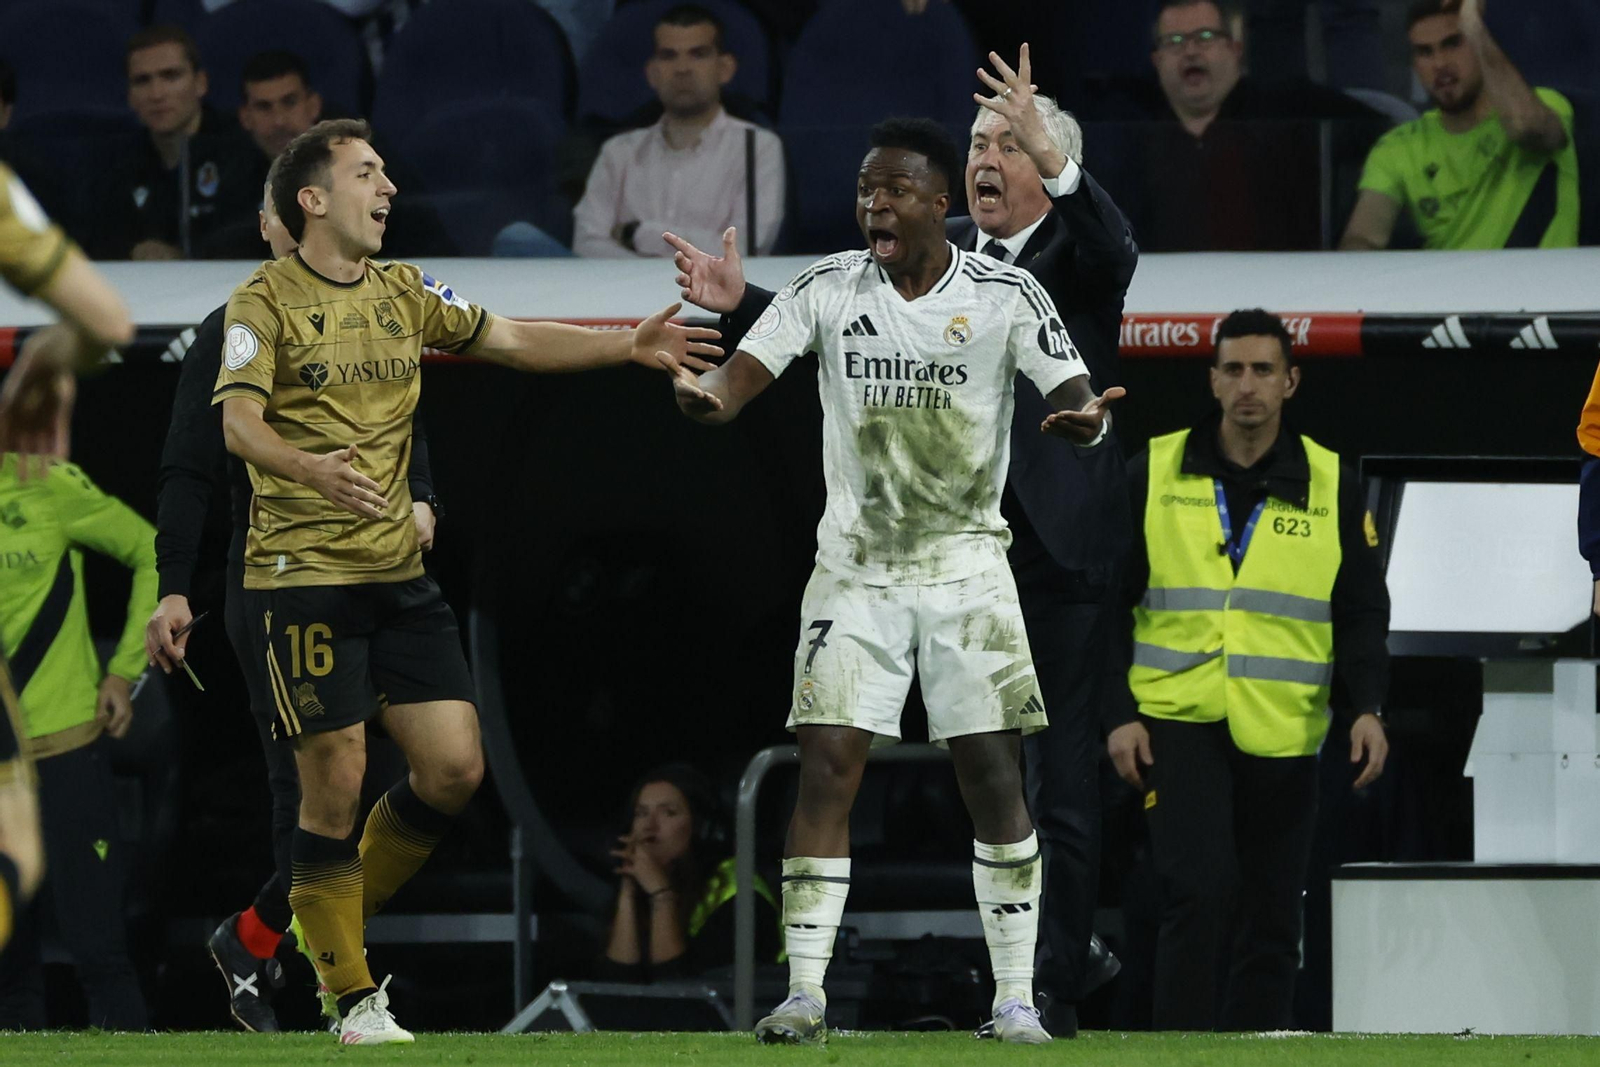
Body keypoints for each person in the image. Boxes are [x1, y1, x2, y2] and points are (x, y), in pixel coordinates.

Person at [210, 118, 719, 1045]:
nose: (389, 185)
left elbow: (512, 338)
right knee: (340, 782)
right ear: (313, 199)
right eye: (367, 172)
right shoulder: (262, 304)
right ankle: (351, 996)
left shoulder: (405, 291)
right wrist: (310, 468)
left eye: (386, 169)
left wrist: (624, 348)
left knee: (453, 766)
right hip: (299, 578)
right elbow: (240, 426)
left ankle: (304, 931)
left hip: (397, 576)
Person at [668, 45, 1137, 1038]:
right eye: (864, 190)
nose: (876, 205)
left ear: (932, 205)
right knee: (828, 761)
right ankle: (803, 989)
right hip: (858, 570)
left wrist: (1086, 420)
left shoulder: (1032, 281)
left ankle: (1025, 991)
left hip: (997, 562)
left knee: (1008, 777)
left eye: (896, 191)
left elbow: (1077, 377)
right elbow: (752, 369)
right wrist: (704, 392)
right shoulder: (834, 284)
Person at [144, 183, 439, 1032]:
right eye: (281, 214)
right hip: (275, 579)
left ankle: (258, 938)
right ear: (276, 222)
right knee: (313, 789)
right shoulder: (236, 325)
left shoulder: (378, 310)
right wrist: (172, 584)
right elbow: (188, 468)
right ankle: (337, 989)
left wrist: (425, 498)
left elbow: (410, 422)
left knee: (423, 774)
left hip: (378, 573)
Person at [1105, 309, 1390, 1031]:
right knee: (1196, 890)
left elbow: (1361, 610)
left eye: (1264, 369)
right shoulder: (1154, 470)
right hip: (1177, 716)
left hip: (1286, 727)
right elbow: (1105, 605)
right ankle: (1183, 1050)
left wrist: (1368, 708)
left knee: (1272, 910)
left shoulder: (1331, 481)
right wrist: (1117, 713)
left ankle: (1259, 1049)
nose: (1248, 385)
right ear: (1212, 379)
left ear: (1291, 381)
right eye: (1233, 369)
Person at [0, 162, 135, 958]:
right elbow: (108, 321)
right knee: (19, 849)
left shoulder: (39, 486)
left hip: (65, 734)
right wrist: (50, 352)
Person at [0, 457, 155, 1030]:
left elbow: (149, 549)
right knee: (7, 975)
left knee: (101, 954)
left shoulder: (45, 484)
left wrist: (123, 671)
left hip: (65, 750)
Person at [1086, 0, 1382, 251]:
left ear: (1235, 49)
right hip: (1171, 298)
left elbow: (1379, 129)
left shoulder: (1288, 110)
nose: (1190, 51)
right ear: (1156, 59)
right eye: (1174, 42)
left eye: (1204, 37)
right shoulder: (1132, 139)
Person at [1339, 0, 1577, 251]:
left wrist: (1473, 24)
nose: (1439, 64)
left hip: (1543, 285)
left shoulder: (1545, 105)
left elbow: (1525, 127)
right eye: (1425, 52)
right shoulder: (1399, 147)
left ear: (1481, 44)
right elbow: (1363, 237)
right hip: (1451, 289)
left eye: (1453, 43)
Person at [573, 4, 785, 259]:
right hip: (623, 294)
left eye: (698, 54)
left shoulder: (757, 147)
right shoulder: (619, 151)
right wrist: (648, 277)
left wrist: (638, 234)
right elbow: (585, 243)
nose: (682, 68)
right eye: (669, 55)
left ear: (725, 68)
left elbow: (746, 250)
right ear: (652, 73)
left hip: (713, 296)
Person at [89, 25, 262, 261]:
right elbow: (93, 240)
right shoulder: (116, 163)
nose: (157, 94)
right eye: (142, 81)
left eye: (170, 76)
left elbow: (252, 239)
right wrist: (132, 251)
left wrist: (186, 256)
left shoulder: (244, 153)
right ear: (129, 95)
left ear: (200, 83)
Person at [601, 763, 779, 981]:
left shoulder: (740, 894)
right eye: (641, 813)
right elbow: (615, 986)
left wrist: (662, 896)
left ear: (702, 828)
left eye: (669, 813)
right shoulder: (640, 886)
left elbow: (680, 990)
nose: (649, 826)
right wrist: (628, 890)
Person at [238, 51, 325, 163]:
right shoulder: (232, 175)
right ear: (246, 118)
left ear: (314, 106)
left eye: (290, 103)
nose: (279, 121)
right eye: (264, 107)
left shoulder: (350, 168)